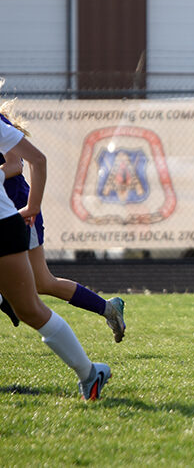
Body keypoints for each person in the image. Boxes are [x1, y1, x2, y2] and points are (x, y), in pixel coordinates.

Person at [0, 116, 111, 401]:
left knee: (33, 305)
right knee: (37, 291)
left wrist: (33, 206)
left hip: (4, 222)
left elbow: (32, 160)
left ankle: (90, 373)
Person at [0, 109, 126, 341]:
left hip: (17, 208)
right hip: (5, 210)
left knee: (43, 282)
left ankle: (108, 309)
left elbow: (15, 165)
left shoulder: (0, 122)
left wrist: (31, 207)